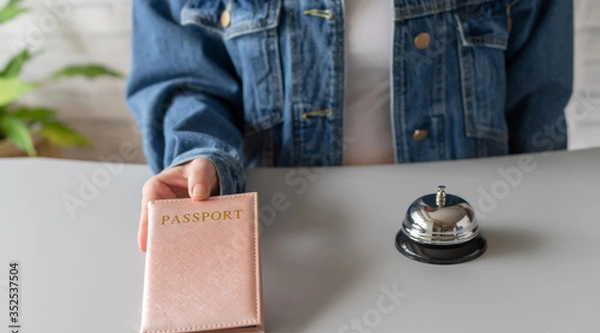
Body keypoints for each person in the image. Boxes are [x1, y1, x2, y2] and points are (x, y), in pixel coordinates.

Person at [127, 0, 573, 251]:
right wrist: (197, 154)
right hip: (289, 239)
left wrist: (547, 221)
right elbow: (182, 75)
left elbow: (538, 103)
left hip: (468, 240)